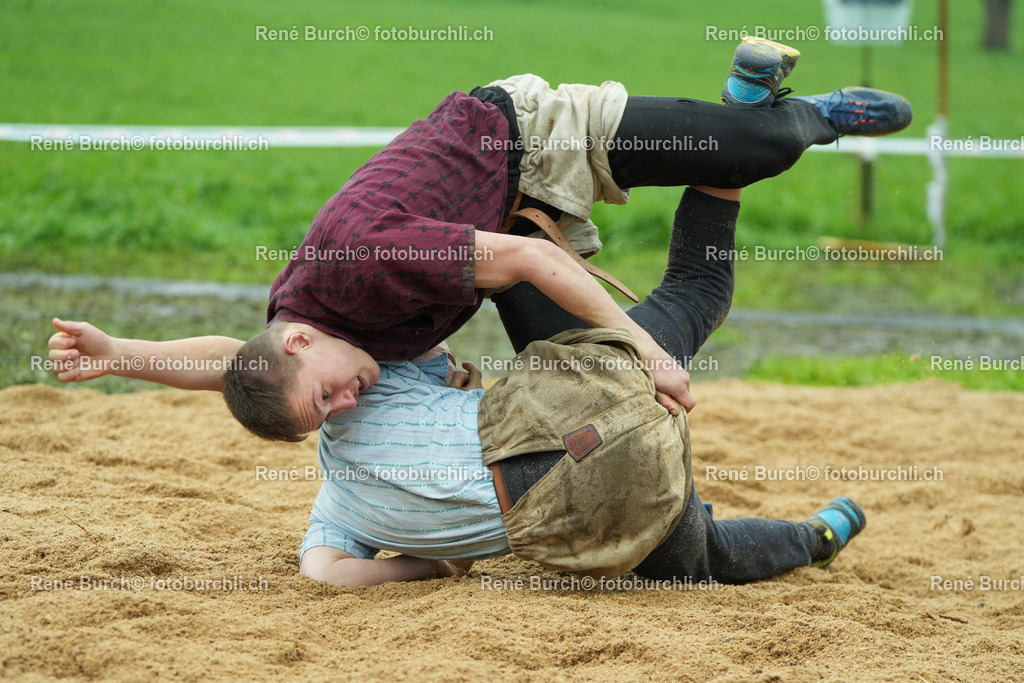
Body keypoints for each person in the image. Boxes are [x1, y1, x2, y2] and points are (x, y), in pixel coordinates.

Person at [47, 39, 909, 586]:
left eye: (327, 397)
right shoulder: (302, 330)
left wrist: (646, 354)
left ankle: (797, 116)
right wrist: (121, 352)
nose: (345, 406)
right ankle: (748, 103)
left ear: (303, 339)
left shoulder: (368, 257)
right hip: (505, 239)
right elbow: (242, 363)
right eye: (328, 415)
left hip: (528, 140)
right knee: (652, 343)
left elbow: (530, 262)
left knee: (757, 152)